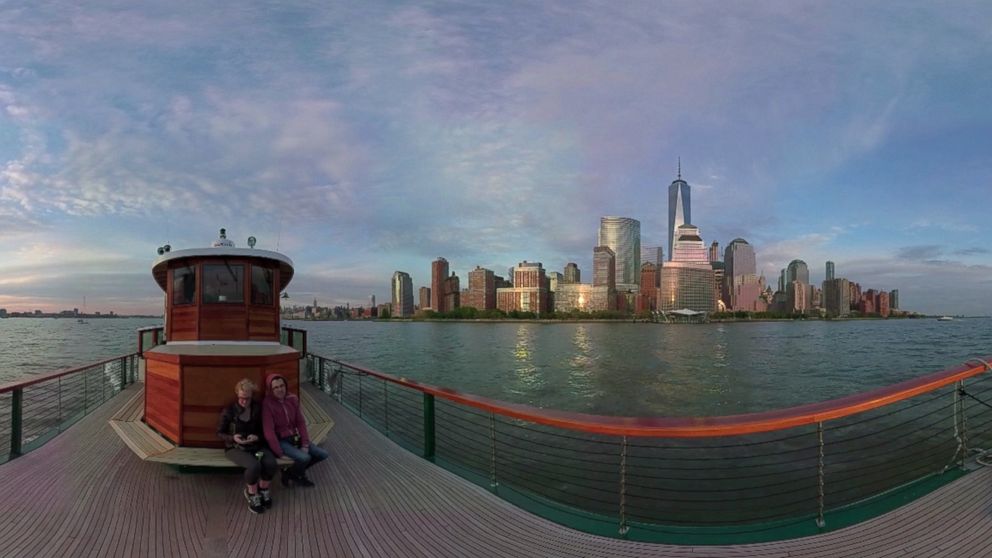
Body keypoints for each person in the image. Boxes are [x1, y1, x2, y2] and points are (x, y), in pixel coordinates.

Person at [218, 378, 277, 514]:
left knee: (271, 463)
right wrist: (233, 438)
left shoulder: (258, 409)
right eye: (241, 398)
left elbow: (266, 430)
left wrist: (257, 437)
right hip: (235, 448)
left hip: (255, 445)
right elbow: (220, 432)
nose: (244, 401)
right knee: (254, 466)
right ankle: (252, 493)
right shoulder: (229, 411)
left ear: (252, 396)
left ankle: (263, 489)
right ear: (237, 395)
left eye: (247, 398)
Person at [262, 373, 328, 487]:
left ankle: (290, 473)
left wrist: (305, 444)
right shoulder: (268, 404)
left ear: (286, 386)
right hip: (281, 441)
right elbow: (269, 432)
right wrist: (280, 453)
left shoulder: (292, 399)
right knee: (305, 458)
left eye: (281, 386)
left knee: (323, 454)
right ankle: (299, 475)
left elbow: (300, 423)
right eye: (275, 387)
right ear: (271, 389)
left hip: (294, 437)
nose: (280, 389)